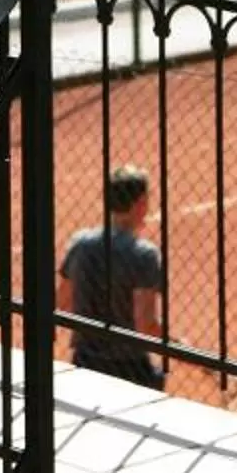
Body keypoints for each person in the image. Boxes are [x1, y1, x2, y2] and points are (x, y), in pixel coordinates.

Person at [59, 165, 167, 389]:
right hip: (130, 368)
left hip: (85, 361)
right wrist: (182, 347)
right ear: (140, 204)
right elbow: (145, 324)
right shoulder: (144, 254)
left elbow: (62, 303)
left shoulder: (80, 244)